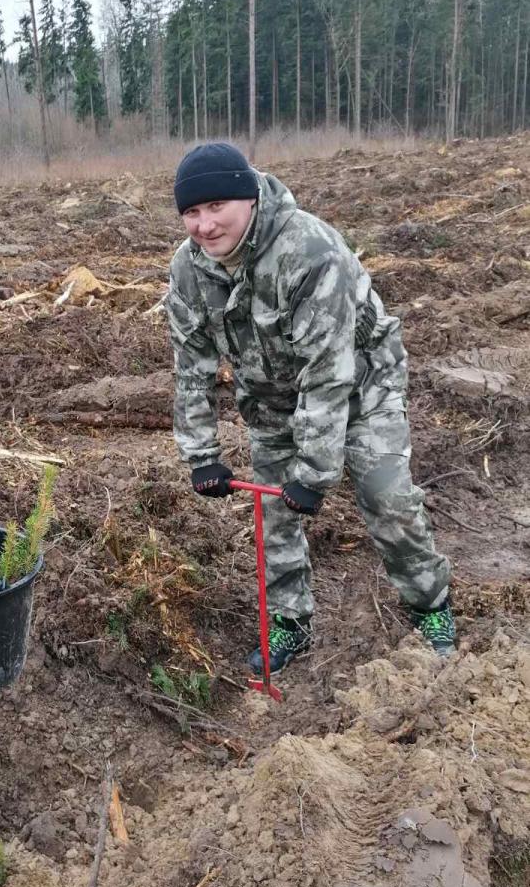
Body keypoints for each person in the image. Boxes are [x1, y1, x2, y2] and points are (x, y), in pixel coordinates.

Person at [165, 142, 455, 676]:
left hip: (363, 386)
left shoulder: (309, 251)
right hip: (271, 397)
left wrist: (315, 473)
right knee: (275, 513)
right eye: (192, 212)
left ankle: (429, 603)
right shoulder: (187, 270)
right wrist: (201, 455)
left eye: (216, 206)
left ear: (249, 198)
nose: (204, 225)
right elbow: (191, 367)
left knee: (385, 495)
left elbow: (328, 371)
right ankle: (290, 621)